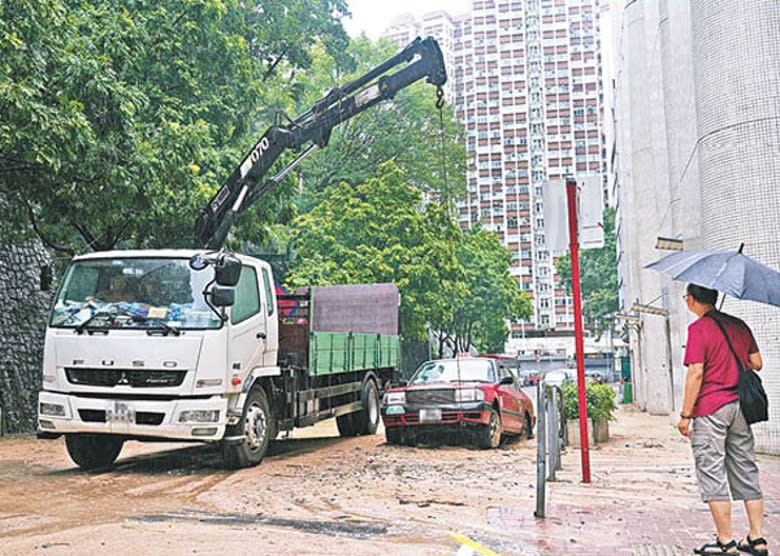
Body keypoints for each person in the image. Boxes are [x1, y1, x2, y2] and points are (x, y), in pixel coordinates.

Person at [678, 284, 767, 555]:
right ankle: (757, 538)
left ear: (692, 300)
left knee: (712, 471)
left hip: (711, 408)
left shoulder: (698, 329)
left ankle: (726, 542)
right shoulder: (739, 325)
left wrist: (685, 415)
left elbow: (696, 373)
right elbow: (757, 362)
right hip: (740, 407)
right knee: (746, 468)